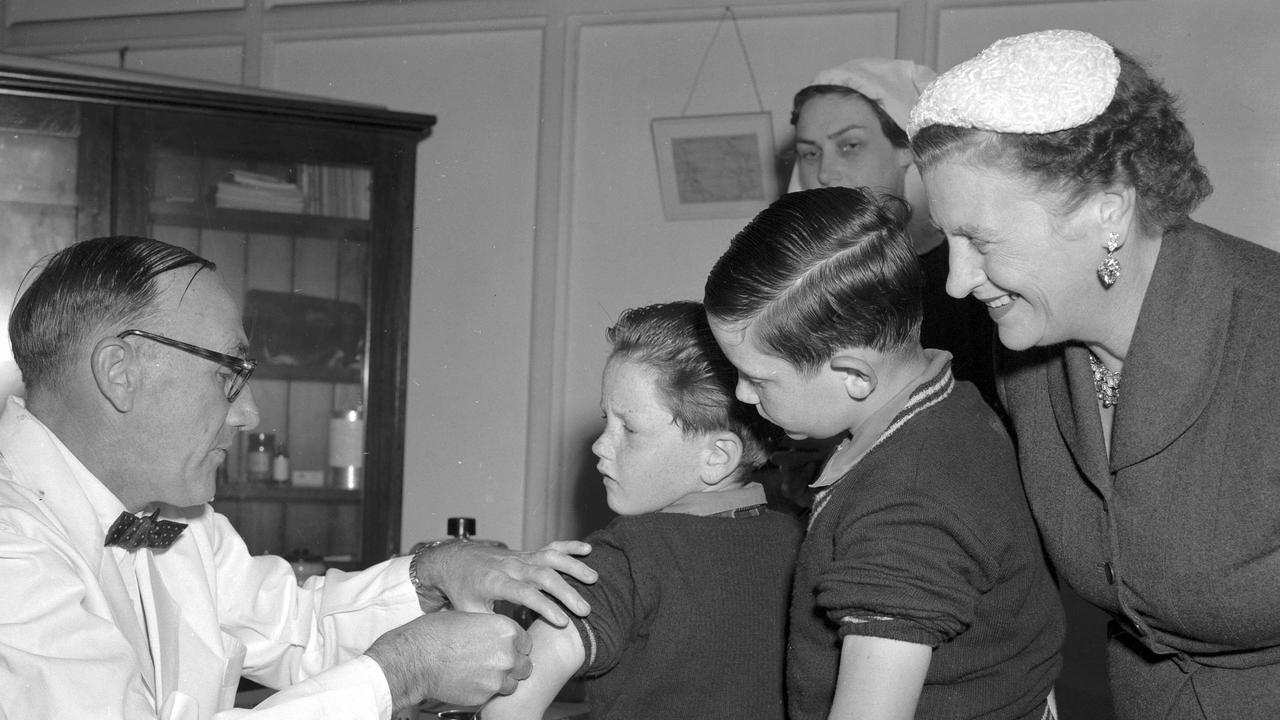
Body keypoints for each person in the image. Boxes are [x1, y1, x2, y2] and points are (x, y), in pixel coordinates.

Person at [0, 235, 597, 719]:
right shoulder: (12, 548)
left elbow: (292, 627)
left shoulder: (168, 516)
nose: (249, 413)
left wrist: (430, 574)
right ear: (119, 372)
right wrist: (401, 672)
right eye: (229, 373)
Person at [907, 28, 1280, 720]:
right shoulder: (1030, 352)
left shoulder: (1266, 339)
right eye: (948, 241)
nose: (957, 282)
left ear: (1108, 211)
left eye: (981, 242)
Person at [704, 187, 1064, 720]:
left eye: (758, 378)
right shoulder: (948, 408)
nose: (741, 395)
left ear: (853, 376)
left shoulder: (905, 509)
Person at [482, 301, 801, 720]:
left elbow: (508, 708)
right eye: (605, 421)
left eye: (628, 428)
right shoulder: (798, 540)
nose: (600, 445)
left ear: (716, 455)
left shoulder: (624, 557)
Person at [789, 58, 996, 406]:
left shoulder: (976, 273)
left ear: (906, 149)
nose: (824, 173)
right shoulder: (814, 279)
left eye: (849, 146)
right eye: (810, 153)